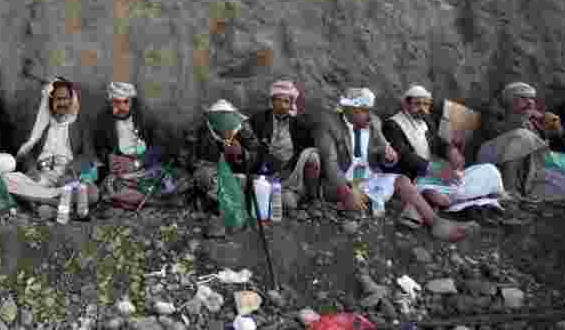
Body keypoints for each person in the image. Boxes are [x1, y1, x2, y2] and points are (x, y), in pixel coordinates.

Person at [316, 87, 479, 242]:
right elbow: (330, 162)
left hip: (368, 176)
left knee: (402, 181)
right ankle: (354, 207)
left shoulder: (375, 122)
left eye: (426, 104)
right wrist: (346, 192)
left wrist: (389, 157)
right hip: (344, 181)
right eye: (362, 110)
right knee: (355, 196)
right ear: (348, 110)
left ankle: (436, 223)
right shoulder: (330, 125)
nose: (368, 115)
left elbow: (384, 151)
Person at [382, 85, 503, 224]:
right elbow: (405, 156)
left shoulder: (425, 119)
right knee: (440, 194)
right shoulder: (392, 125)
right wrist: (438, 170)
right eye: (417, 104)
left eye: (425, 104)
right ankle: (460, 199)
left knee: (489, 170)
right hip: (417, 178)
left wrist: (450, 151)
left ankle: (459, 198)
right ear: (405, 104)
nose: (422, 108)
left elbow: (438, 142)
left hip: (437, 173)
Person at [92, 81, 192, 211]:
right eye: (116, 102)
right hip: (123, 175)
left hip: (146, 168)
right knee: (110, 188)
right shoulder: (103, 121)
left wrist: (138, 163)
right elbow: (100, 149)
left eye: (125, 102)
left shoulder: (145, 116)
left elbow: (160, 146)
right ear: (110, 102)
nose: (121, 106)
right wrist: (110, 158)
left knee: (180, 179)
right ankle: (157, 201)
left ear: (132, 101)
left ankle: (148, 199)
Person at [6, 77, 98, 215]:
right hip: (41, 177)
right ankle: (57, 205)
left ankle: (42, 203)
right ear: (50, 101)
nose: (62, 103)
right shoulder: (39, 123)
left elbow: (88, 155)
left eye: (65, 98)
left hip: (67, 178)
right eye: (57, 99)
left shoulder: (80, 123)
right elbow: (27, 151)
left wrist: (70, 171)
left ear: (71, 99)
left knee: (92, 194)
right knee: (7, 181)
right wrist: (31, 169)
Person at [476, 82, 565, 201]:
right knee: (523, 136)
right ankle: (508, 193)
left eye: (532, 99)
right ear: (509, 100)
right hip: (492, 161)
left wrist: (555, 132)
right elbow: (493, 131)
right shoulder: (494, 112)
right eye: (523, 98)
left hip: (528, 172)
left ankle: (524, 198)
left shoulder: (533, 122)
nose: (530, 102)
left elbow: (558, 152)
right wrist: (522, 117)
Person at [246, 80, 321, 213]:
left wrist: (285, 171)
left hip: (290, 173)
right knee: (287, 202)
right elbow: (252, 147)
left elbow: (305, 148)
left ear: (291, 104)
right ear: (272, 101)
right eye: (278, 101)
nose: (282, 105)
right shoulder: (259, 119)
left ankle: (312, 199)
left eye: (286, 102)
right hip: (265, 174)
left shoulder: (299, 124)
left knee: (312, 156)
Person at [191, 99, 261, 209]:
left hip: (237, 174)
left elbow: (255, 155)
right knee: (206, 175)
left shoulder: (243, 131)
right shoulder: (202, 131)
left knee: (251, 182)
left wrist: (242, 154)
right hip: (212, 173)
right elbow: (191, 160)